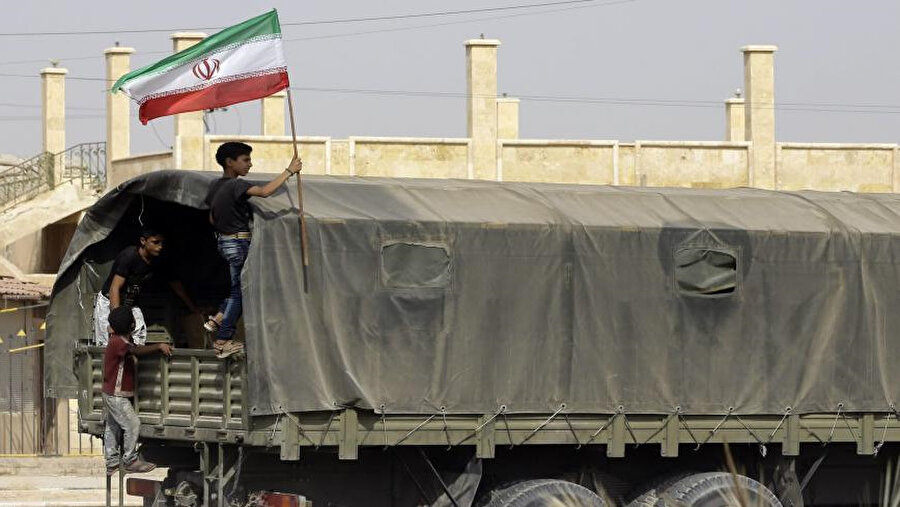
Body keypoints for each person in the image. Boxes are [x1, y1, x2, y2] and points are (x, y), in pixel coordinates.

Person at [203, 142, 302, 358]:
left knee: (236, 288)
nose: (250, 164)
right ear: (230, 162)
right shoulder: (236, 186)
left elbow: (212, 217)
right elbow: (265, 192)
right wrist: (289, 171)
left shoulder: (214, 186)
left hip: (223, 242)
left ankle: (217, 318)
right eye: (245, 160)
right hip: (238, 243)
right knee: (241, 292)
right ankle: (223, 340)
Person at [93, 228, 203, 347]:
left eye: (162, 243)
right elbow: (115, 288)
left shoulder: (160, 260)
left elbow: (176, 285)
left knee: (138, 340)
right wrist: (117, 320)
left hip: (130, 304)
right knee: (107, 344)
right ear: (143, 241)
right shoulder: (129, 256)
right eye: (155, 242)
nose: (160, 247)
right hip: (109, 302)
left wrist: (192, 308)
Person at [102, 305, 172, 475]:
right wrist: (158, 346)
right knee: (133, 424)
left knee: (113, 427)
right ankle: (130, 460)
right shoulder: (119, 342)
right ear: (132, 325)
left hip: (111, 393)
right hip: (116, 395)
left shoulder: (117, 339)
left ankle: (111, 462)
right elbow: (136, 351)